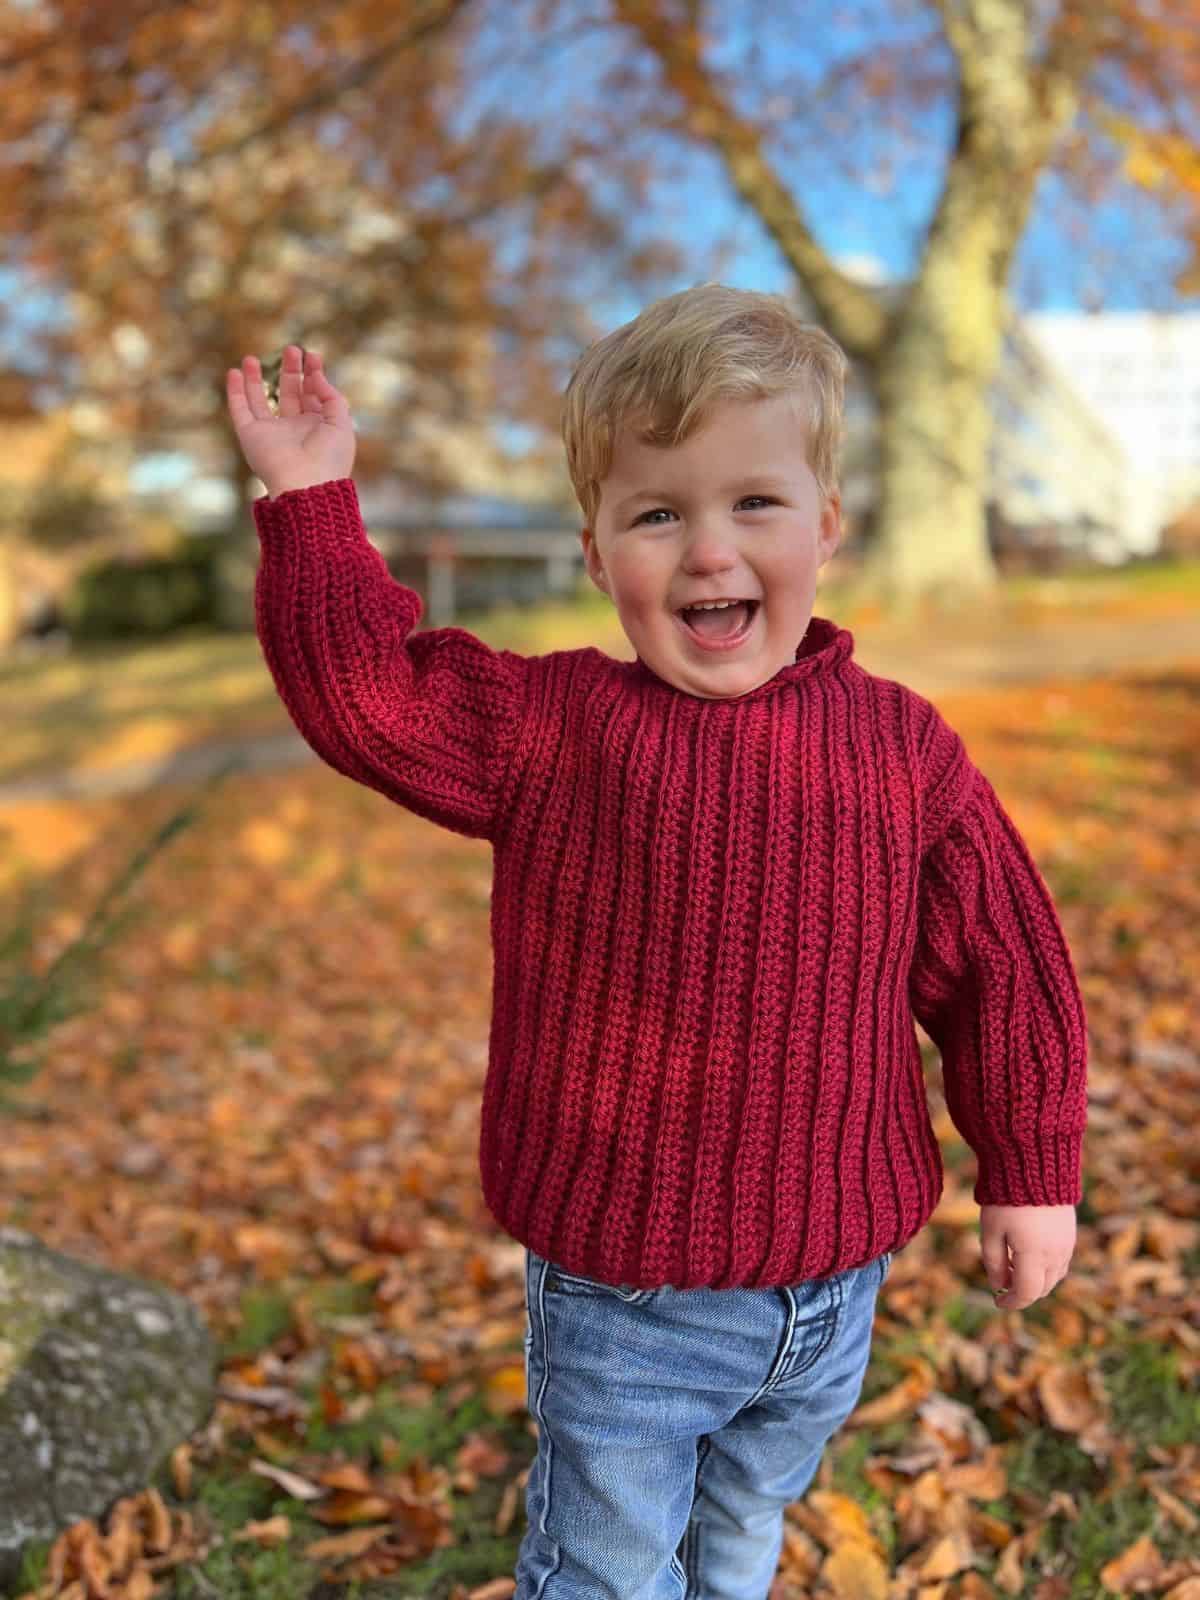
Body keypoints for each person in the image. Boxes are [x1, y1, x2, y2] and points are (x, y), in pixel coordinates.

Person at [226, 282, 1088, 1600]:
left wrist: (1030, 1167)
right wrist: (311, 501)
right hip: (627, 1298)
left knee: (743, 1529)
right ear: (595, 554)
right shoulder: (556, 729)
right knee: (610, 1568)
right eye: (656, 514)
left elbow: (1001, 965)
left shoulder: (902, 752)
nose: (708, 551)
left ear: (827, 527)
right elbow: (369, 698)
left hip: (834, 1280)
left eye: (754, 504)